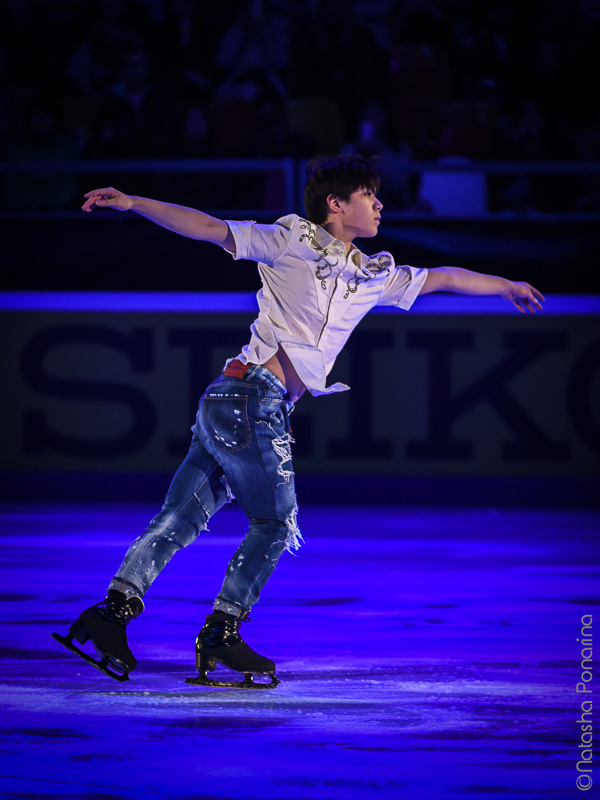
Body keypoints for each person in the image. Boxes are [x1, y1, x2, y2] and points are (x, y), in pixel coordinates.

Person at [52, 154, 544, 688]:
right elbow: (211, 228)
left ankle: (109, 614)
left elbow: (444, 277)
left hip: (236, 401)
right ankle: (221, 631)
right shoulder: (291, 241)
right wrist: (133, 202)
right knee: (274, 523)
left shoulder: (372, 274)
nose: (380, 204)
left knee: (181, 516)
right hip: (249, 401)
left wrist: (505, 284)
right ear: (336, 205)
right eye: (367, 196)